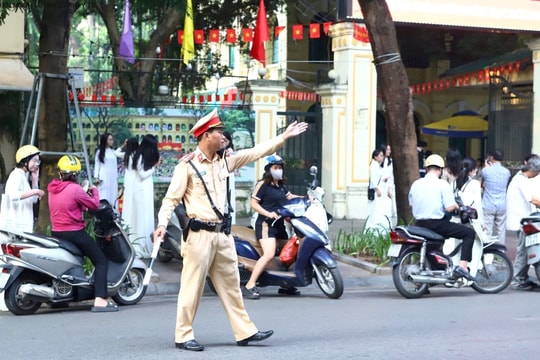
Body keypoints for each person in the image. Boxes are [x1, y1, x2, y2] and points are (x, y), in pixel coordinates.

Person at [153, 108, 308, 351]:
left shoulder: (226, 161)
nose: (223, 136)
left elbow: (257, 152)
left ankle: (245, 332)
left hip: (222, 236)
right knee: (192, 288)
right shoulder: (187, 166)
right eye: (218, 132)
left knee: (232, 285)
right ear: (206, 136)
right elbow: (170, 200)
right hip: (198, 236)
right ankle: (183, 335)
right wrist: (162, 225)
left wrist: (283, 137)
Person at [48, 155, 117, 312]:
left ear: (60, 173)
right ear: (75, 174)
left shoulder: (53, 188)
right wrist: (94, 190)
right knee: (100, 261)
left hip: (56, 232)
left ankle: (60, 298)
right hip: (74, 233)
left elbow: (68, 207)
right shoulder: (75, 189)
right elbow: (94, 204)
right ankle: (100, 300)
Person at [408, 154, 476, 281]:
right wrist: (456, 205)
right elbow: (449, 207)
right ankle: (463, 266)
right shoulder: (442, 184)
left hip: (418, 224)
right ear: (440, 170)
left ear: (427, 168)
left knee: (433, 247)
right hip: (435, 224)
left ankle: (427, 281)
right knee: (469, 233)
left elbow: (411, 204)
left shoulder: (416, 184)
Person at [245, 155, 303, 299]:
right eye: (275, 168)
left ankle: (286, 284)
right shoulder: (263, 184)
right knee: (269, 254)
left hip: (280, 225)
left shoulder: (281, 185)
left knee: (293, 249)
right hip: (266, 224)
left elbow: (290, 197)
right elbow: (253, 203)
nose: (278, 170)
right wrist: (267, 213)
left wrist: (307, 199)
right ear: (268, 169)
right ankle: (250, 284)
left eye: (280, 168)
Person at [506, 155, 540, 290]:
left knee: (527, 249)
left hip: (525, 220)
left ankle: (523, 277)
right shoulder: (520, 180)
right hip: (521, 221)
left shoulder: (521, 179)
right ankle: (517, 279)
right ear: (533, 169)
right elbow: (533, 199)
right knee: (523, 251)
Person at [0, 145, 45, 232]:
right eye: (34, 161)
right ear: (25, 161)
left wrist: (35, 180)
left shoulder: (22, 176)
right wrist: (36, 191)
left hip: (21, 228)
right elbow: (13, 196)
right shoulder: (16, 175)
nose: (37, 164)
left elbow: (34, 200)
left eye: (38, 161)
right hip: (15, 228)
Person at [129, 135, 160, 258]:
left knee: (147, 215)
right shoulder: (139, 156)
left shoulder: (143, 157)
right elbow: (142, 174)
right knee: (141, 216)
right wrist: (154, 167)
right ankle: (141, 244)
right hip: (141, 190)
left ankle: (147, 243)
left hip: (146, 188)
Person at [481, 149, 510, 244]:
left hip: (488, 204)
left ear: (492, 157)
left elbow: (482, 184)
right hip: (502, 204)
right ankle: (501, 254)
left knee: (487, 230)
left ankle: (487, 253)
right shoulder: (507, 172)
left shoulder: (485, 171)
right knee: (501, 231)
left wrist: (487, 167)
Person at [93, 132, 123, 208]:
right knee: (104, 195)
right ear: (105, 140)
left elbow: (118, 153)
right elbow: (97, 165)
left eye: (112, 140)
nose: (112, 141)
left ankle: (113, 214)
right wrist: (96, 177)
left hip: (113, 177)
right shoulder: (99, 152)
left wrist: (124, 145)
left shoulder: (113, 152)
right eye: (110, 139)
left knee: (113, 194)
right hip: (104, 176)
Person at [365, 148, 391, 231]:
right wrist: (377, 189)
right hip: (377, 190)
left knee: (378, 209)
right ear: (375, 157)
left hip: (380, 188)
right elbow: (372, 179)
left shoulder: (377, 165)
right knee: (375, 209)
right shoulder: (373, 166)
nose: (382, 157)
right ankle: (373, 227)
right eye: (381, 156)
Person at [118, 138, 139, 231]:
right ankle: (135, 223)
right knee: (135, 201)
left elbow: (116, 152)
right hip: (136, 180)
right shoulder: (138, 156)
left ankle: (127, 222)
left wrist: (123, 145)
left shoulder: (126, 155)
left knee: (127, 201)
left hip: (128, 180)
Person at [455, 157, 484, 224]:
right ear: (471, 170)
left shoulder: (454, 182)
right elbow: (478, 204)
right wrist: (482, 222)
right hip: (469, 218)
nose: (476, 170)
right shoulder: (475, 183)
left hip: (456, 218)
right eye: (475, 168)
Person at [221, 131, 239, 225]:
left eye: (225, 140)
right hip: (220, 177)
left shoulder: (230, 152)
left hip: (229, 176)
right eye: (222, 139)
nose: (223, 141)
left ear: (229, 141)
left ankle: (230, 221)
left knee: (228, 198)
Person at [380, 143, 396, 226]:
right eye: (387, 149)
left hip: (389, 185)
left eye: (390, 149)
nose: (389, 151)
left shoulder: (391, 162)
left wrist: (390, 187)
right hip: (381, 185)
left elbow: (391, 176)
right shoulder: (380, 162)